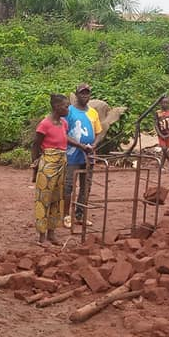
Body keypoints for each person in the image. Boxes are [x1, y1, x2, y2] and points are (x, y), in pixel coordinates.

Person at [32, 94, 92, 243]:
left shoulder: (63, 123)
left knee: (56, 199)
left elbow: (65, 138)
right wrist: (34, 164)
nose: (68, 109)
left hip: (61, 162)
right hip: (49, 163)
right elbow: (35, 145)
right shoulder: (45, 124)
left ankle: (51, 233)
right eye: (65, 106)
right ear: (56, 107)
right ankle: (41, 236)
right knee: (43, 199)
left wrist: (82, 146)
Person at [63, 84, 101, 227]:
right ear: (76, 95)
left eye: (87, 93)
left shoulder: (93, 112)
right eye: (82, 93)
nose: (85, 96)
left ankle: (80, 215)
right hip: (72, 155)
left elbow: (98, 132)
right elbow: (63, 133)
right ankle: (66, 215)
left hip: (89, 155)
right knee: (69, 185)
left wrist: (95, 145)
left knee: (86, 186)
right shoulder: (69, 112)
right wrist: (79, 146)